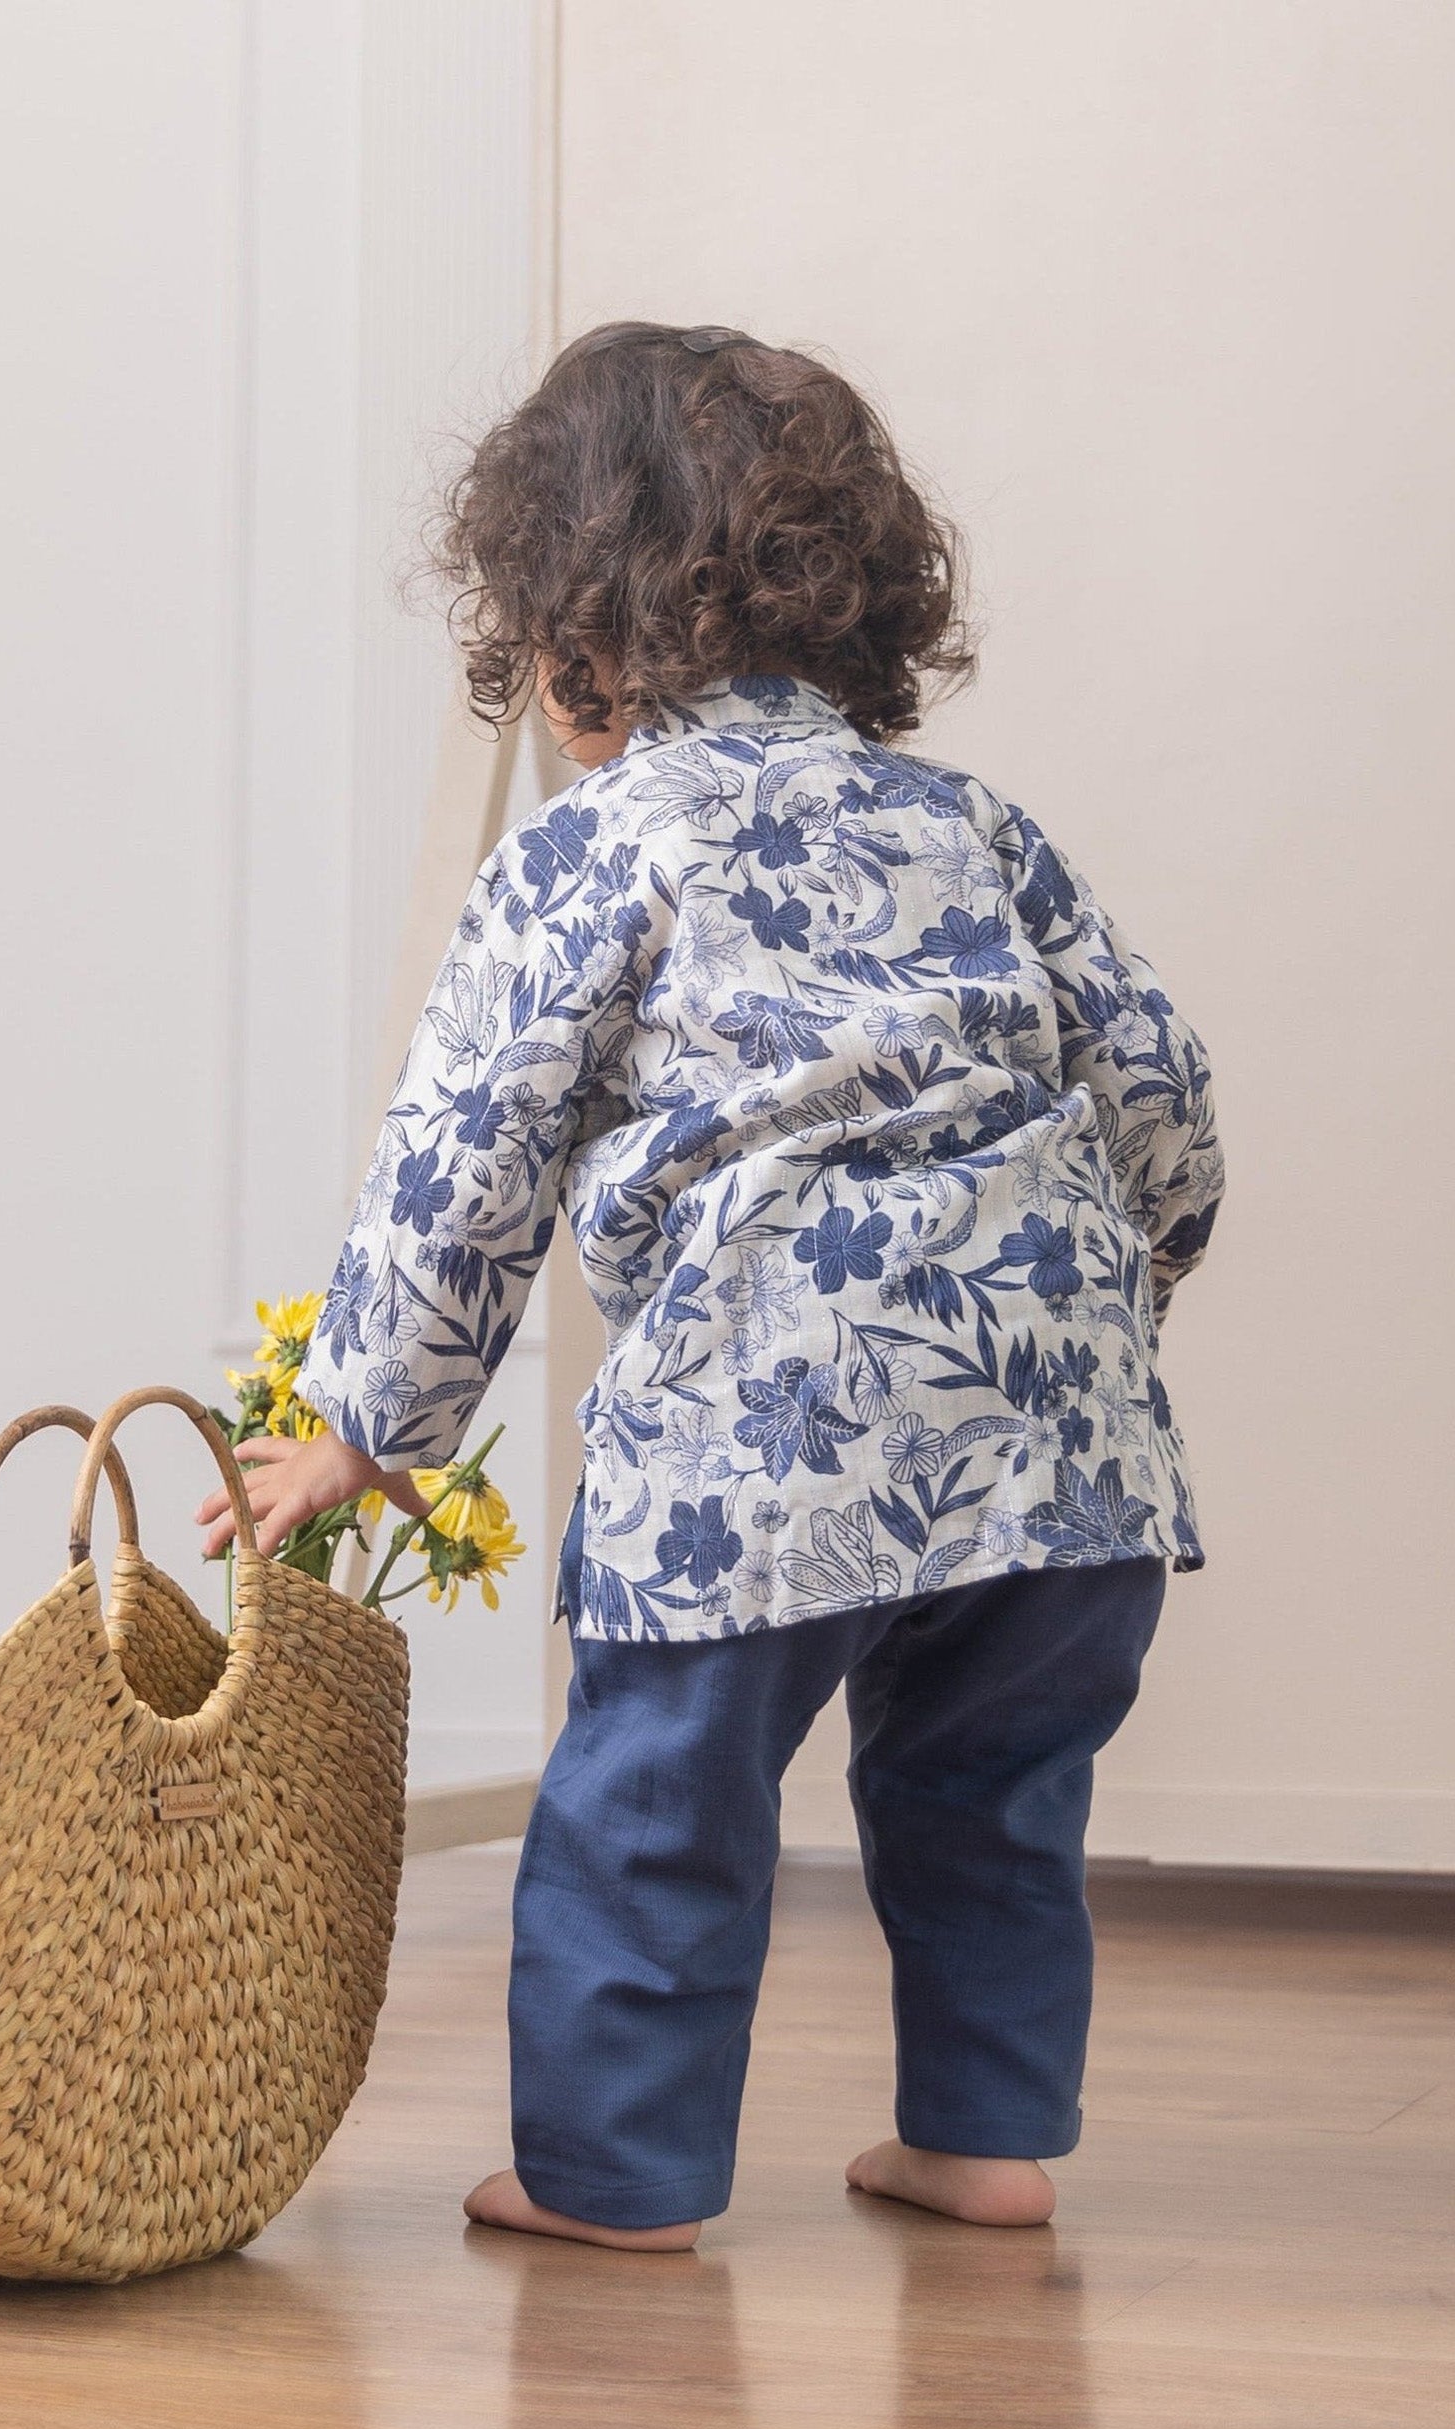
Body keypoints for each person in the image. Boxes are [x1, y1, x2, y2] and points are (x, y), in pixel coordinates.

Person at [196, 321, 1222, 2251]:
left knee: (658, 1795)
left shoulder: (592, 853)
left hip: (773, 1428)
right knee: (997, 1788)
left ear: (569, 639)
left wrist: (363, 1424)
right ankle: (987, 2147)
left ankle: (615, 2179)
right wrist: (1124, 1283)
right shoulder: (971, 827)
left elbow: (462, 1159)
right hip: (1059, 1438)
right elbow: (1158, 1086)